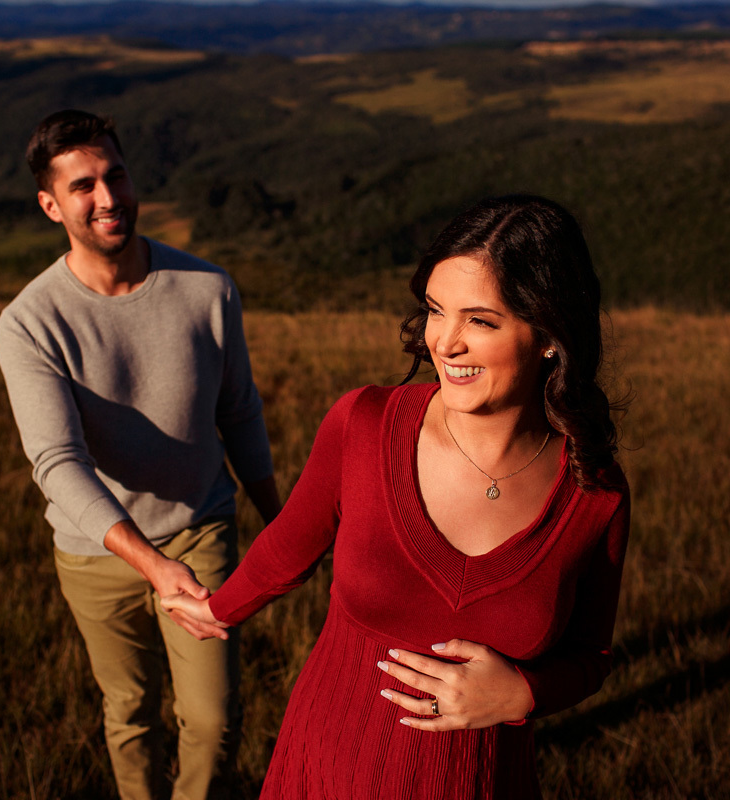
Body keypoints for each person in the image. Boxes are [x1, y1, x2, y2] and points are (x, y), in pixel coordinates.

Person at [164, 194, 630, 799]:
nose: (446, 342)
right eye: (437, 311)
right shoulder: (363, 423)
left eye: (481, 321)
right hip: (332, 766)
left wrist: (524, 694)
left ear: (549, 335)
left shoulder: (594, 491)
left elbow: (591, 655)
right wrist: (217, 610)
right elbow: (290, 545)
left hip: (483, 781)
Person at [0, 109, 282, 800]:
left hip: (200, 523)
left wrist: (280, 517)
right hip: (97, 556)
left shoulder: (207, 289)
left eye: (115, 175)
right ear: (50, 205)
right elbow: (57, 462)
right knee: (129, 713)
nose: (107, 197)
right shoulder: (31, 322)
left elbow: (238, 411)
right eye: (83, 185)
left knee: (212, 721)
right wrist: (152, 564)